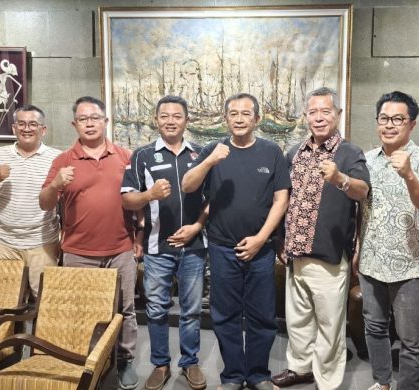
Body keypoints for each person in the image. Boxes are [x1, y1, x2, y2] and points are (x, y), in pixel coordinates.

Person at [182, 93, 290, 390]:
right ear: (225, 118)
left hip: (261, 249)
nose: (239, 119)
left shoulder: (271, 152)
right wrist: (210, 161)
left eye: (246, 114)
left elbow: (281, 199)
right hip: (222, 248)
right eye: (233, 113)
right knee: (225, 316)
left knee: (262, 316)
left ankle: (258, 374)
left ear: (257, 119)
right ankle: (232, 376)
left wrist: (261, 238)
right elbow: (188, 185)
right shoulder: (212, 150)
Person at [271, 87, 370, 390]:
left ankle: (327, 381)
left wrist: (340, 179)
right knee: (297, 319)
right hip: (295, 252)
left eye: (326, 111)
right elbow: (282, 198)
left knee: (329, 325)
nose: (319, 117)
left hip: (329, 254)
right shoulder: (294, 152)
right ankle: (301, 368)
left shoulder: (349, 153)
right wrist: (279, 240)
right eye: (313, 112)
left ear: (337, 114)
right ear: (305, 116)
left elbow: (363, 191)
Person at [39, 96, 140, 390]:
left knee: (125, 309)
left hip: (120, 248)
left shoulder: (125, 156)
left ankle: (124, 360)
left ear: (105, 121)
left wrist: (140, 237)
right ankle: (86, 362)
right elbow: (45, 203)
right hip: (78, 252)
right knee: (82, 310)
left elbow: (139, 203)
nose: (90, 123)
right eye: (83, 119)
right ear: (75, 124)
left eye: (95, 117)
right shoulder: (63, 161)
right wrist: (56, 184)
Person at [121, 95, 209, 390]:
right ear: (156, 120)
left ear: (187, 120)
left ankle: (190, 362)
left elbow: (213, 199)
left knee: (191, 310)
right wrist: (150, 195)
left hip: (194, 247)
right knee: (157, 309)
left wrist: (197, 226)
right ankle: (160, 364)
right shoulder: (142, 155)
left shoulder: (200, 154)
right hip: (157, 248)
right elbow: (127, 199)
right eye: (164, 116)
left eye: (177, 116)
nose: (171, 121)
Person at [358, 91, 419, 390]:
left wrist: (409, 175)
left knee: (411, 339)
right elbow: (361, 210)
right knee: (374, 327)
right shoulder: (366, 160)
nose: (389, 125)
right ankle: (382, 383)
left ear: (412, 124)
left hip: (408, 263)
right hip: (371, 259)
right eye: (384, 118)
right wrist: (357, 248)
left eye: (398, 119)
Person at [0, 104, 61, 300]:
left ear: (43, 130)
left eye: (33, 124)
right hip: (6, 243)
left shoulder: (56, 157)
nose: (27, 128)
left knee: (45, 301)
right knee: (4, 300)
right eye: (21, 124)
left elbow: (64, 201)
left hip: (43, 242)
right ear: (14, 128)